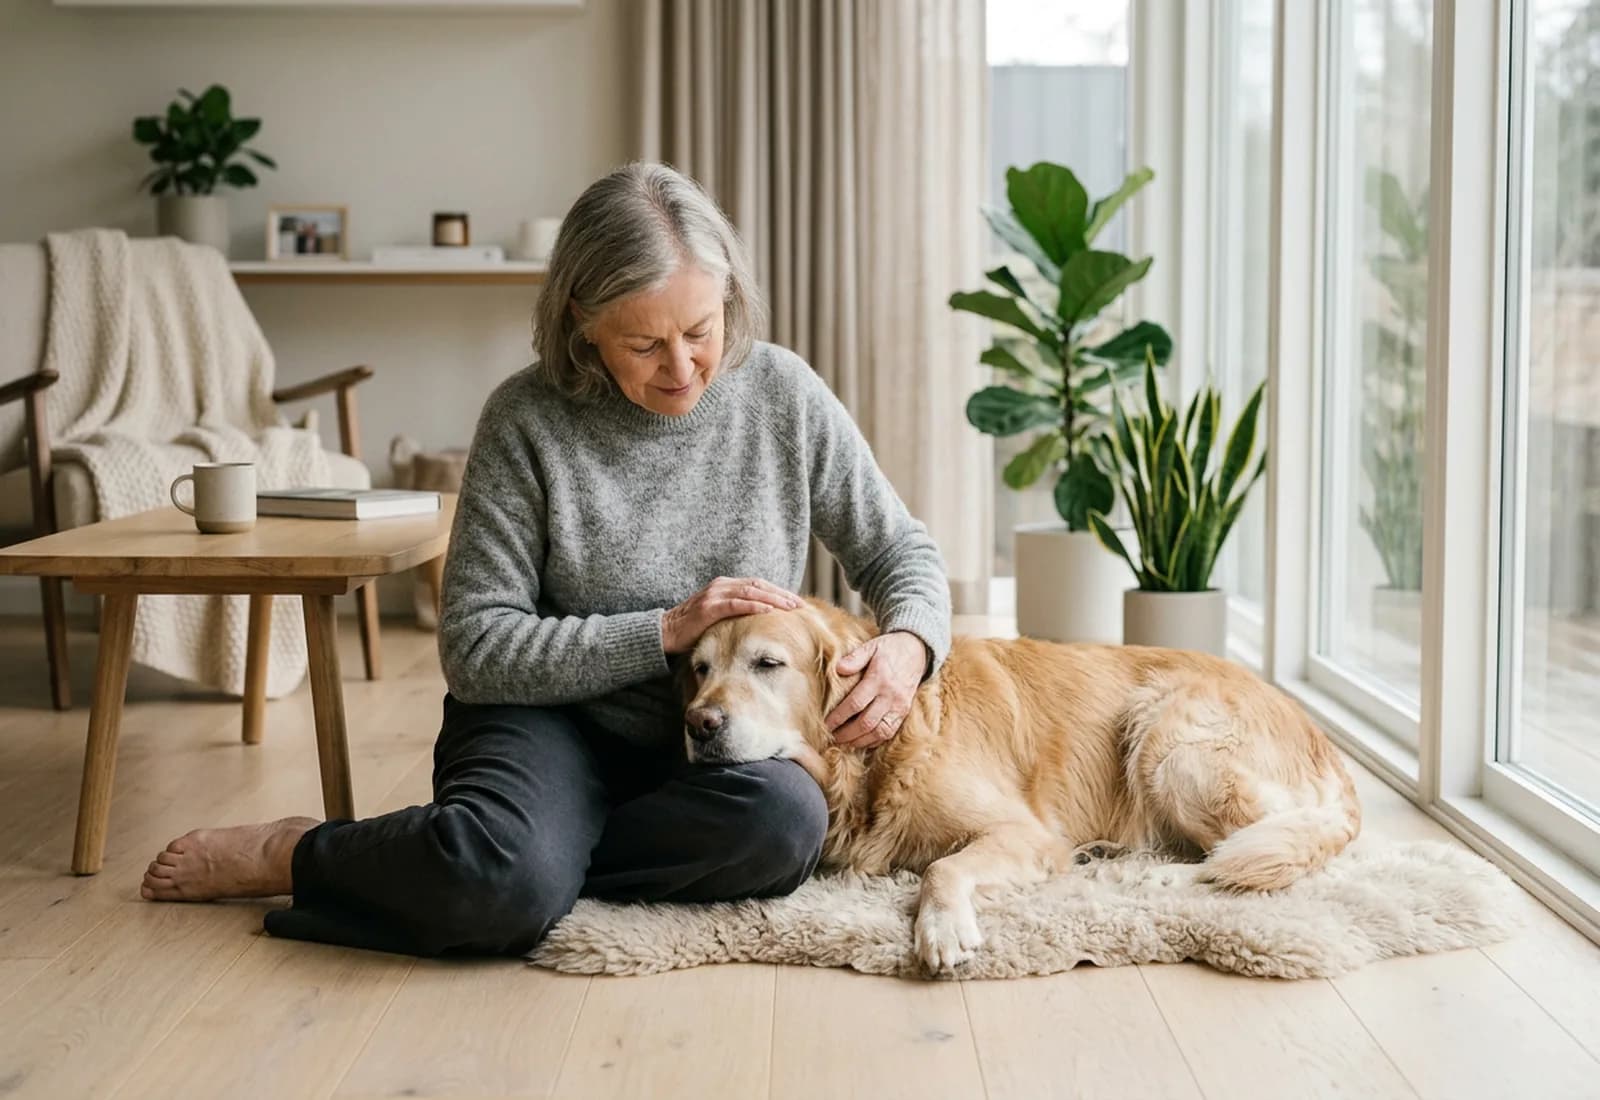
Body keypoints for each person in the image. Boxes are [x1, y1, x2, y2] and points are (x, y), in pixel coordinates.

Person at [139, 162, 952, 957]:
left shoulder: (782, 393)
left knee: (780, 829)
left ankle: (505, 861)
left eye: (701, 331)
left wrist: (910, 646)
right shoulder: (524, 421)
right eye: (645, 343)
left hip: (712, 738)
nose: (681, 368)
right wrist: (663, 632)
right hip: (546, 721)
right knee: (507, 878)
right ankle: (307, 854)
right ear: (581, 321)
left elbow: (898, 549)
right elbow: (475, 647)